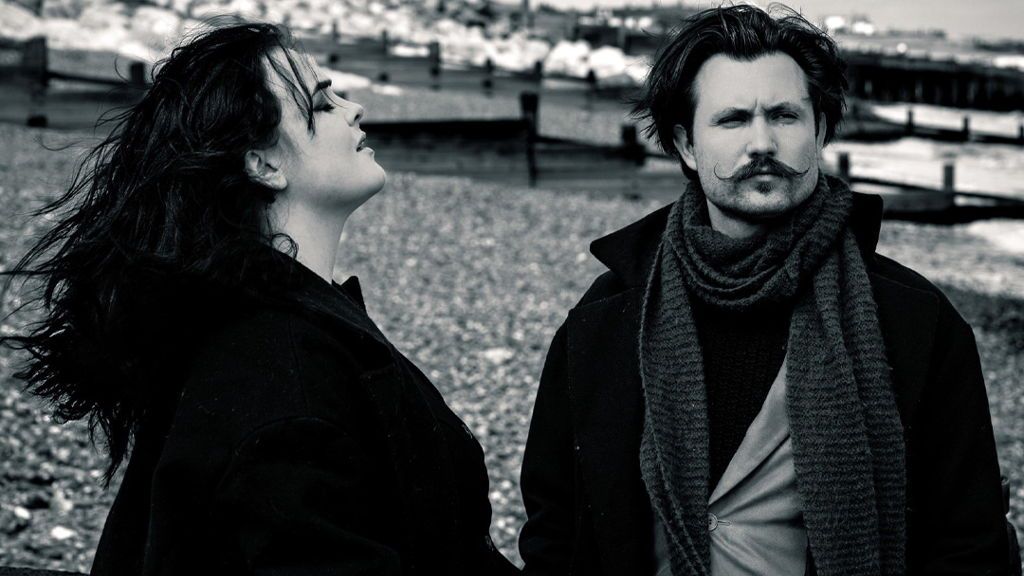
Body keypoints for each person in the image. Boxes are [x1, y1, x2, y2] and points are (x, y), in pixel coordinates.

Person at [1, 22, 517, 575]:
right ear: (264, 165)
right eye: (321, 105)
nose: (355, 109)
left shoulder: (262, 328)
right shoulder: (281, 374)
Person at [518, 5, 1009, 575]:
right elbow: (556, 526)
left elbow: (969, 542)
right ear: (686, 145)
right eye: (732, 120)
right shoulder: (607, 316)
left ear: (819, 131)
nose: (762, 143)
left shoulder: (914, 320)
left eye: (784, 116)